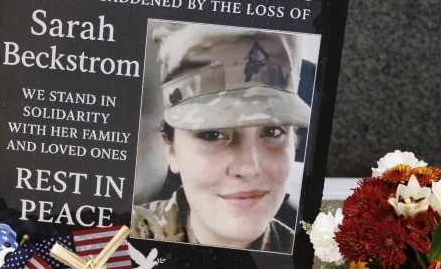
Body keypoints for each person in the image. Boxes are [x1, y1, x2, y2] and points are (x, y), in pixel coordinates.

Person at [131, 24, 311, 253]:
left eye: (273, 131)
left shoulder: (316, 266)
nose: (248, 168)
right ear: (171, 149)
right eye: (213, 134)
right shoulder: (119, 241)